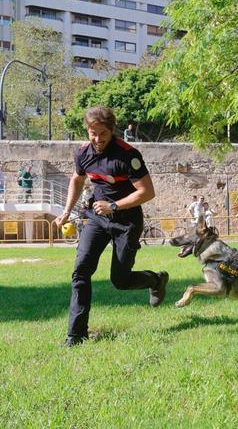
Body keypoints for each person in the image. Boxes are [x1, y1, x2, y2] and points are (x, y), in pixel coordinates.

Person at [54, 106, 168, 347]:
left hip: (126, 221)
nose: (97, 139)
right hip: (97, 218)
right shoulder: (83, 153)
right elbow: (77, 179)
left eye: (102, 134)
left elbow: (147, 192)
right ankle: (76, 335)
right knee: (81, 271)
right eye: (92, 133)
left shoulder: (128, 155)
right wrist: (66, 212)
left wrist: (114, 206)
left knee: (121, 280)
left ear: (112, 130)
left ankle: (155, 281)